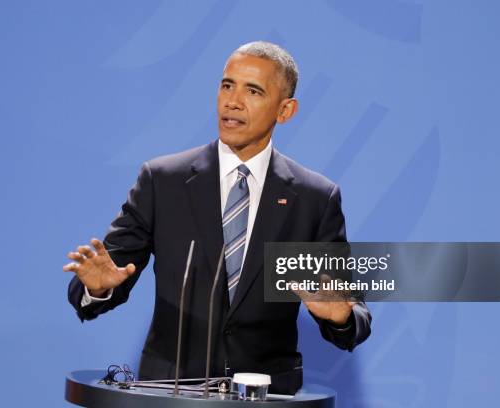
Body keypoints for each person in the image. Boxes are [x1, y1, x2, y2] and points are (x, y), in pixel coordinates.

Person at [64, 41, 371, 395]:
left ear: (285, 110)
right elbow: (99, 282)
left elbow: (354, 316)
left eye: (253, 91)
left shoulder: (315, 198)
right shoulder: (163, 180)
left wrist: (340, 315)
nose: (232, 101)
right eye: (227, 85)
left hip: (268, 397)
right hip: (171, 393)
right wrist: (98, 287)